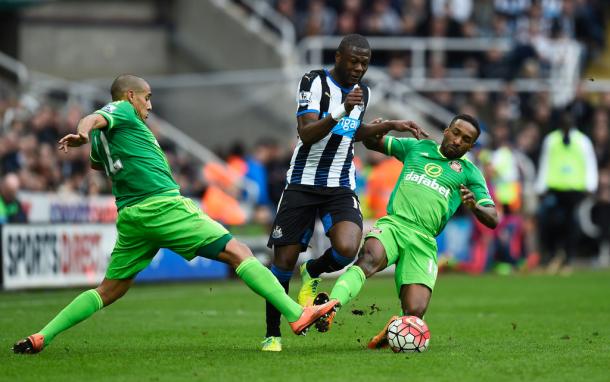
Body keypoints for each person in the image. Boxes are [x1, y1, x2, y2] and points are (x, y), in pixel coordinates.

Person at [12, 74, 338, 354]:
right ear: (129, 96)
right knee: (239, 252)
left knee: (108, 290)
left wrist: (95, 142)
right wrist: (83, 130)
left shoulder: (106, 138)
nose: (149, 106)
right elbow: (94, 118)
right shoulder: (122, 111)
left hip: (131, 217)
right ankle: (296, 314)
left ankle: (43, 335)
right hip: (162, 206)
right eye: (147, 98)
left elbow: (99, 160)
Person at [263, 34, 427, 351]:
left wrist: (389, 124)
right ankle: (273, 333)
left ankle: (312, 270)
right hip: (303, 182)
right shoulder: (313, 81)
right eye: (353, 61)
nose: (358, 68)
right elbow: (307, 133)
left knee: (347, 248)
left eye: (364, 63)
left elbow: (351, 133)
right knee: (283, 262)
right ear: (338, 57)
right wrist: (340, 109)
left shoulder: (362, 92)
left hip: (339, 184)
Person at [313, 114, 498, 349]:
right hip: (394, 225)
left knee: (414, 315)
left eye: (466, 139)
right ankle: (331, 306)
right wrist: (378, 130)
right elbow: (372, 143)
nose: (459, 140)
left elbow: (493, 218)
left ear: (471, 146)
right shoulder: (417, 147)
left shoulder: (470, 173)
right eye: (456, 133)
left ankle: (393, 329)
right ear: (446, 130)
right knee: (369, 259)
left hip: (423, 240)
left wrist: (475, 206)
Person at [535, 109, 598, 274]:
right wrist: (541, 186)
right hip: (555, 188)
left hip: (574, 190)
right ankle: (554, 255)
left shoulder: (582, 141)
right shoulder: (551, 139)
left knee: (571, 225)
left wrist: (590, 185)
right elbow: (545, 162)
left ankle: (567, 258)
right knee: (552, 223)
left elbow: (589, 163)